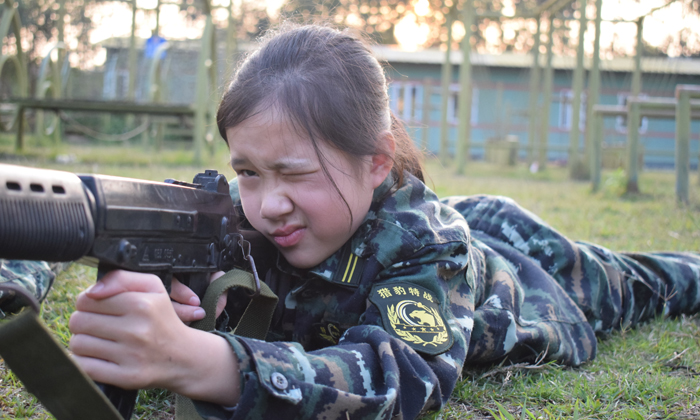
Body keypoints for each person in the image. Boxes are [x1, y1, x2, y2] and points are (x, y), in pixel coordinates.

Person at [4, 24, 700, 420]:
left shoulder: (430, 246)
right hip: (437, 226)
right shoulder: (226, 215)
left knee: (649, 282)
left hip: (522, 269)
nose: (267, 201)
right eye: (249, 171)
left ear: (376, 161)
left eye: (296, 173)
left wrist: (199, 359)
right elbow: (75, 213)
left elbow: (401, 375)